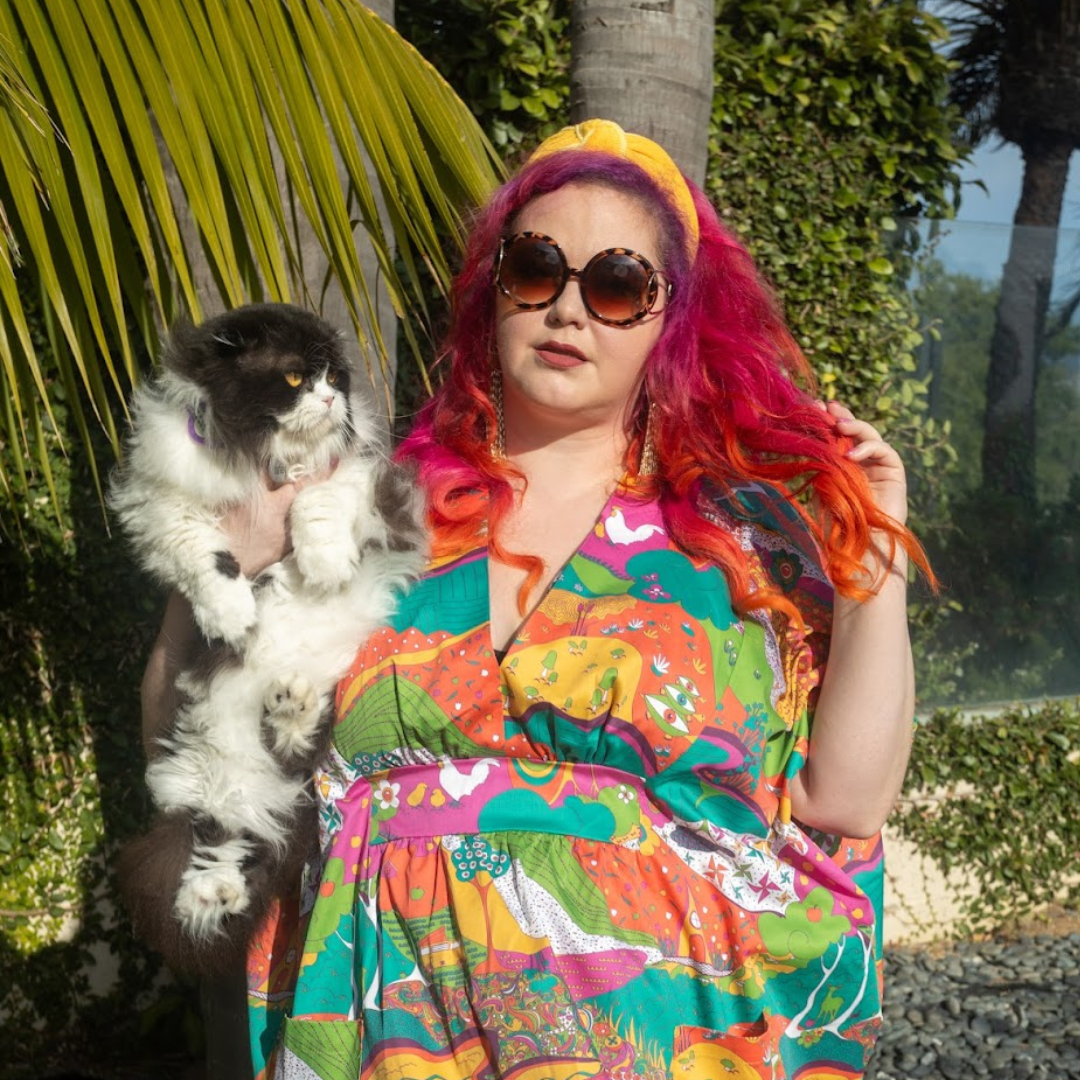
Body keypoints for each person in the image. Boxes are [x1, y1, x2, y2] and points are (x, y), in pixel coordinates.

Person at [143, 119, 927, 1080]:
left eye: (616, 285)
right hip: (377, 1027)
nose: (568, 309)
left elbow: (843, 798)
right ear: (494, 290)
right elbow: (190, 749)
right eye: (537, 267)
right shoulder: (361, 512)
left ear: (666, 319)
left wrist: (873, 549)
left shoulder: (740, 541)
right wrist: (214, 573)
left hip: (655, 1038)